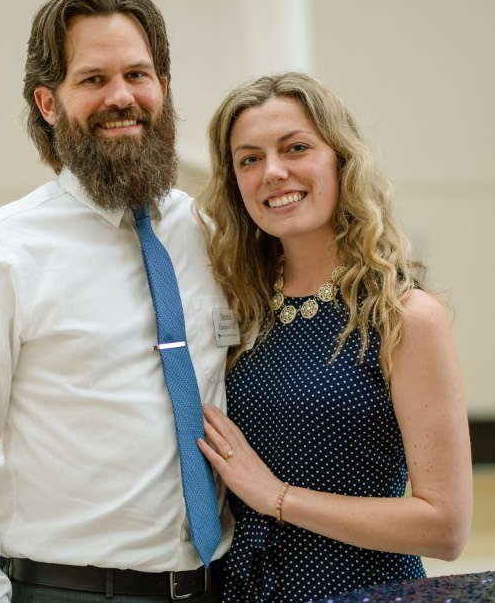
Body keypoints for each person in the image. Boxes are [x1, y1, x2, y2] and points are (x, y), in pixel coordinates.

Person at [0, 0, 234, 603]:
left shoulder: (209, 234)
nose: (121, 97)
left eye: (137, 74)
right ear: (48, 103)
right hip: (70, 589)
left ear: (163, 88)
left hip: (217, 585)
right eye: (93, 79)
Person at [194, 71, 473, 602]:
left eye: (295, 148)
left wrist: (278, 498)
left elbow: (446, 526)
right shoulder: (242, 309)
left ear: (341, 160)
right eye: (249, 159)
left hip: (362, 590)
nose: (272, 172)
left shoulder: (403, 316)